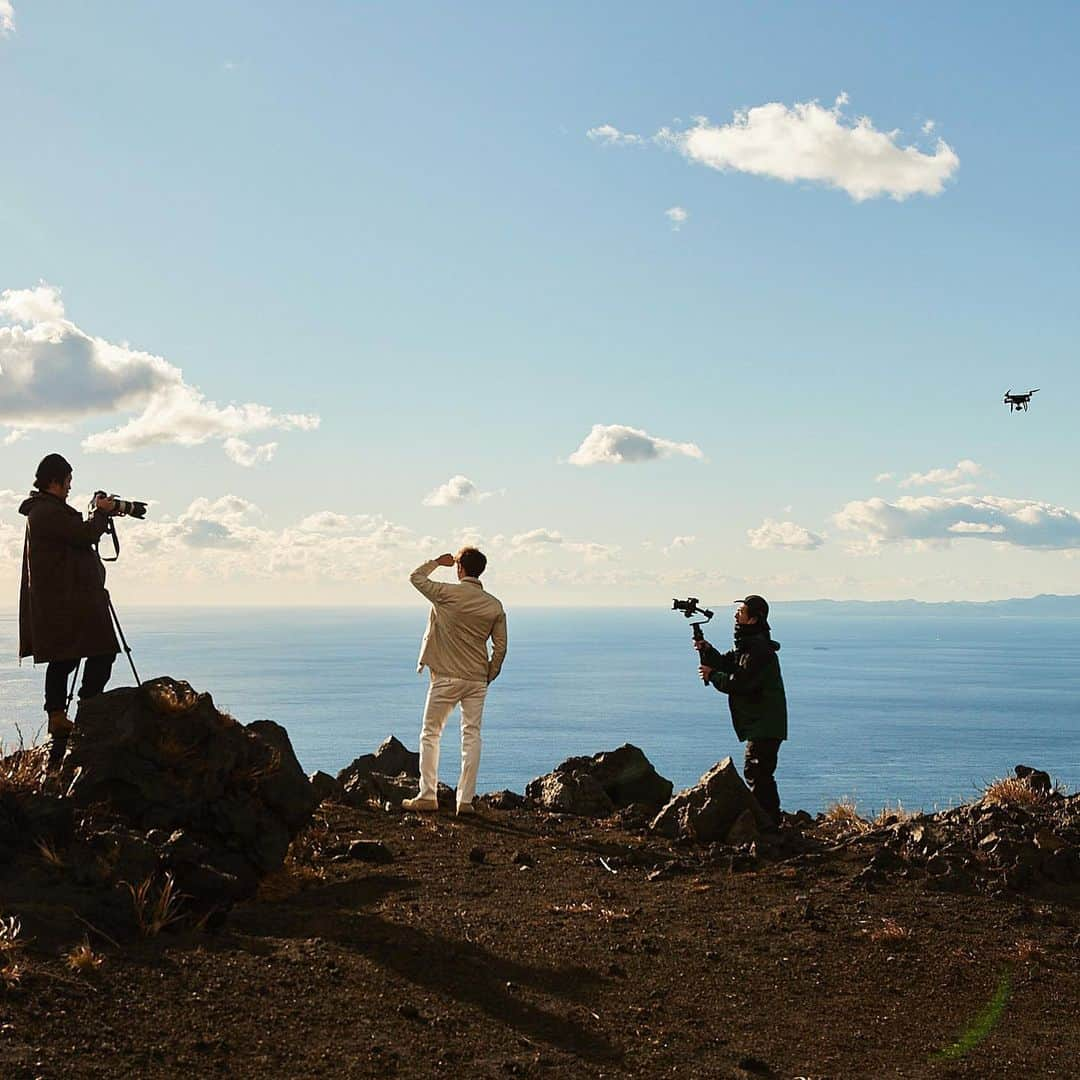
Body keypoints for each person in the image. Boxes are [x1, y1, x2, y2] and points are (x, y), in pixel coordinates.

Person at [18, 454, 120, 768]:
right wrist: (101, 515)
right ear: (55, 480)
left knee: (69, 656)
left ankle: (64, 715)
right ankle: (82, 709)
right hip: (66, 603)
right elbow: (84, 535)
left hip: (69, 601)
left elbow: (78, 535)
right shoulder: (45, 512)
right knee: (91, 653)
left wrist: (96, 514)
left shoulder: (48, 511)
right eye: (68, 480)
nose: (70, 486)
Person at [403, 548, 507, 815]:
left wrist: (437, 563)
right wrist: (489, 673)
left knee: (431, 734)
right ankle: (466, 801)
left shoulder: (446, 593)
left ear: (459, 568)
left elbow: (415, 577)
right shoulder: (494, 605)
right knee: (471, 736)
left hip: (446, 677)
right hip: (476, 680)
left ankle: (428, 796)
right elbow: (501, 646)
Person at [695, 594, 787, 826]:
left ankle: (769, 824)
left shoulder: (758, 651)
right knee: (758, 773)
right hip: (763, 722)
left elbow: (740, 683)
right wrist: (708, 650)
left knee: (758, 773)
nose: (736, 615)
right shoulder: (750, 645)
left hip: (765, 723)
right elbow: (729, 663)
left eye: (741, 612)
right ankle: (768, 822)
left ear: (754, 619)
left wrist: (713, 676)